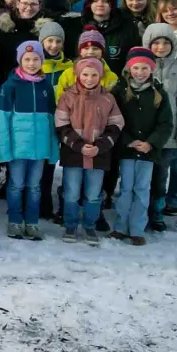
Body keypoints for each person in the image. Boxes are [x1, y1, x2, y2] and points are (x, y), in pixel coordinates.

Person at [55, 57, 122, 244]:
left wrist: (100, 146)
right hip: (73, 154)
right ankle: (70, 224)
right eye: (85, 74)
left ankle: (90, 225)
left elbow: (116, 125)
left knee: (93, 195)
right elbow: (61, 125)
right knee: (71, 193)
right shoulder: (67, 97)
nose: (89, 79)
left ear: (100, 76)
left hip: (98, 155)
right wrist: (79, 145)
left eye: (94, 75)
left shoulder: (108, 99)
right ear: (78, 75)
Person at [110, 48, 173, 246]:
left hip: (147, 151)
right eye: (136, 68)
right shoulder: (119, 91)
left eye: (145, 68)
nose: (140, 72)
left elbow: (165, 124)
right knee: (126, 188)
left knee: (142, 189)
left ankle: (137, 228)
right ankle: (121, 226)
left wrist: (151, 143)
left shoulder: (159, 93)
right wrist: (127, 140)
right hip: (127, 149)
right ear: (129, 69)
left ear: (151, 69)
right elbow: (113, 119)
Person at [0, 41, 54, 240]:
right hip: (17, 148)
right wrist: (4, 149)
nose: (31, 63)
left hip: (39, 149)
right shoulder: (10, 85)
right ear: (20, 60)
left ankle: (32, 222)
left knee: (35, 187)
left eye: (36, 59)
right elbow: (2, 120)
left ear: (42, 61)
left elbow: (51, 119)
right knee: (16, 185)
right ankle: (14, 221)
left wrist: (53, 149)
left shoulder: (46, 86)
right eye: (27, 59)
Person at [143, 23, 177, 232]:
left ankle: (157, 213)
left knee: (160, 178)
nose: (161, 47)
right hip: (143, 133)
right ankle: (139, 211)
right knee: (141, 177)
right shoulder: (139, 66)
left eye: (166, 42)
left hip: (167, 136)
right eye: (156, 43)